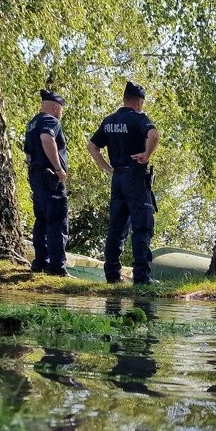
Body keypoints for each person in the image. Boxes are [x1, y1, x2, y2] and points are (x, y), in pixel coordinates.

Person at [86, 81, 160, 284]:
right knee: (142, 227)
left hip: (117, 178)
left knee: (116, 229)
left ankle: (112, 275)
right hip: (135, 177)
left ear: (124, 99)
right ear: (138, 102)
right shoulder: (138, 119)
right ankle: (142, 277)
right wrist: (146, 154)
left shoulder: (109, 120)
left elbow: (92, 146)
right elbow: (154, 134)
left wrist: (107, 167)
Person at [23, 89, 69, 275]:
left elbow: (27, 153)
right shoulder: (51, 120)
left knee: (41, 219)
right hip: (50, 176)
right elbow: (47, 139)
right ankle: (57, 267)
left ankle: (40, 261)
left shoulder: (32, 123)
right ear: (56, 107)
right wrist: (59, 169)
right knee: (57, 220)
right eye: (61, 110)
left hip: (36, 174)